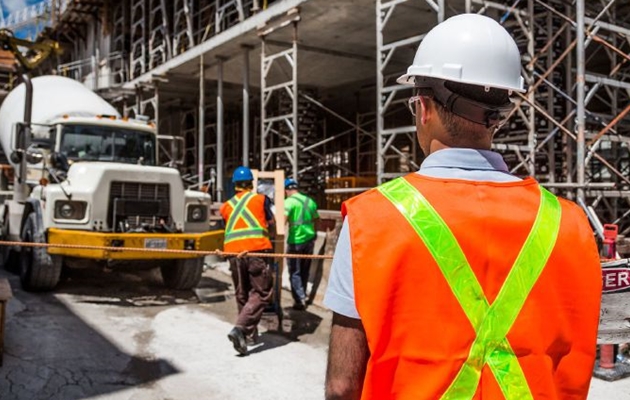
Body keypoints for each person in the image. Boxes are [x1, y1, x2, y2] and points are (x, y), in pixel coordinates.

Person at [324, 14, 602, 400]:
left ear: (423, 108)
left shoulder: (369, 221)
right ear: (498, 115)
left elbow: (342, 386)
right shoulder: (570, 223)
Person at [220, 166, 275, 356]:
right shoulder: (260, 199)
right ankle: (241, 329)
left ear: (235, 185)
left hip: (233, 254)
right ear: (252, 183)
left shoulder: (226, 206)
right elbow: (271, 221)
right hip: (256, 250)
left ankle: (248, 336)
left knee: (242, 293)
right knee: (262, 293)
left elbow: (228, 227)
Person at [284, 178, 320, 310]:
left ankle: (299, 300)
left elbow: (282, 221)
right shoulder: (310, 201)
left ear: (286, 190)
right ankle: (303, 294)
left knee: (295, 271)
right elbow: (317, 220)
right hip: (309, 241)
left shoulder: (288, 202)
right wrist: (314, 233)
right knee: (305, 270)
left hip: (295, 241)